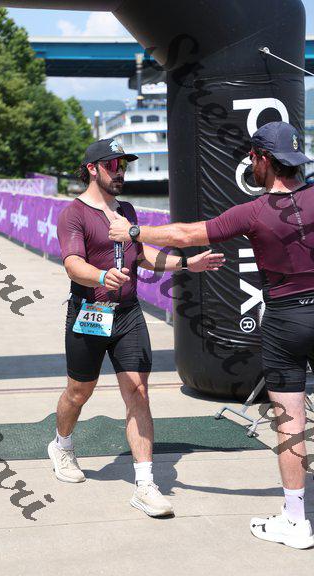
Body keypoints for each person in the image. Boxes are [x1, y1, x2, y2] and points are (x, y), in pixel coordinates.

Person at [109, 121, 314, 546]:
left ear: (262, 159)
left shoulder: (253, 212)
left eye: (253, 158)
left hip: (286, 321)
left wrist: (133, 231)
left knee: (291, 422)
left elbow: (185, 234)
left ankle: (296, 521)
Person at [48, 137, 225, 517]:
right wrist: (100, 275)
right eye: (113, 165)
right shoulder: (73, 214)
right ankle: (62, 445)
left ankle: (145, 484)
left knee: (138, 392)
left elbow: (142, 254)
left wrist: (185, 264)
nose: (121, 172)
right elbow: (72, 264)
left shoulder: (126, 211)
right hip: (90, 312)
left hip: (128, 314)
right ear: (92, 169)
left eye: (124, 165)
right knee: (79, 393)